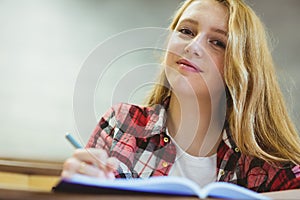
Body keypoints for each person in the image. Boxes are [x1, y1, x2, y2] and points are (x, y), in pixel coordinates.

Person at [61, 0, 300, 192]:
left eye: (217, 42)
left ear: (242, 68)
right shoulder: (121, 122)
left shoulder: (261, 158)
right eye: (186, 31)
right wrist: (78, 182)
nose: (192, 46)